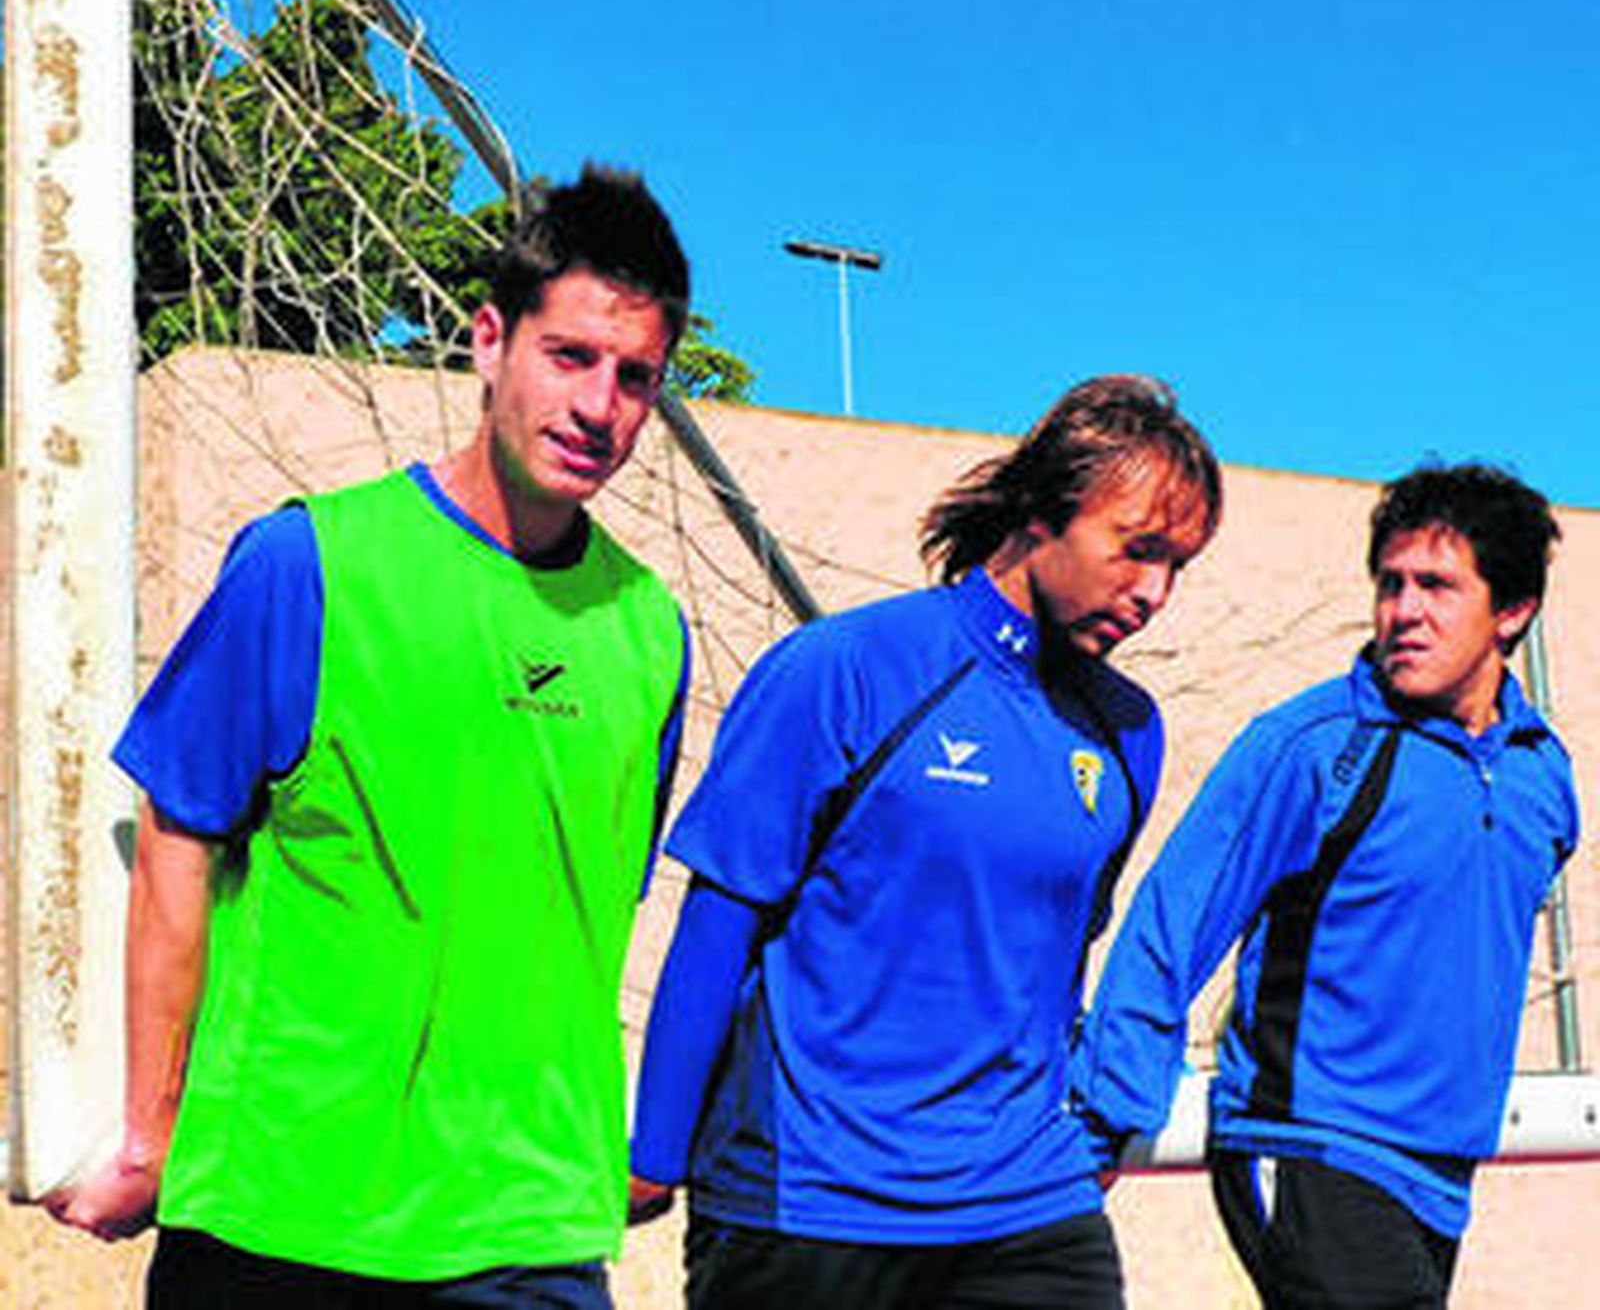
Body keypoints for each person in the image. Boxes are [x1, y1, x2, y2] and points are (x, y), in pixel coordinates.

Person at [45, 165, 694, 1308]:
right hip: (284, 1211)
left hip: (524, 1228)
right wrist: (150, 1133)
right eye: (570, 356)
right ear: (489, 342)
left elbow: (588, 908)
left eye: (635, 376)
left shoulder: (649, 634)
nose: (600, 405)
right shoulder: (308, 564)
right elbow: (176, 842)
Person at [629, 375, 1222, 1309]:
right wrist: (656, 1151)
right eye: (1137, 549)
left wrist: (1096, 1122)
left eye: (1177, 565)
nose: (1154, 592)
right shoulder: (845, 668)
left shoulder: (1128, 733)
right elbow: (718, 922)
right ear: (1040, 512)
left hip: (1026, 1200)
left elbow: (1056, 959)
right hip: (809, 1198)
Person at [1075, 462, 1580, 1309]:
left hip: (1440, 1177)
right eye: (1390, 583)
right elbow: (1176, 920)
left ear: (1512, 611)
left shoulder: (1544, 779)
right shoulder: (1313, 745)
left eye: (1437, 586)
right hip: (1308, 1145)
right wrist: (1103, 1118)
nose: (1404, 611)